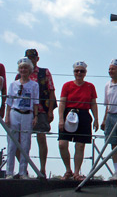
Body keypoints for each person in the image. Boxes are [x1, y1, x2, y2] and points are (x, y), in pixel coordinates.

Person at [58, 61, 99, 181]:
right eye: (77, 71)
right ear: (74, 72)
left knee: (80, 145)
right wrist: (61, 119)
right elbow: (62, 103)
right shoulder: (67, 85)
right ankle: (68, 170)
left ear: (85, 73)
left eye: (82, 71)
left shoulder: (90, 86)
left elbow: (93, 104)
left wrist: (96, 118)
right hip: (68, 114)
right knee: (62, 144)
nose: (79, 73)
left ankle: (76, 172)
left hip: (84, 115)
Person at [21, 48, 56, 176]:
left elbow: (51, 90)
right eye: (28, 58)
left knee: (41, 138)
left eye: (33, 58)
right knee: (23, 139)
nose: (31, 60)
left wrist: (51, 111)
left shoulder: (44, 72)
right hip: (24, 110)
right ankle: (23, 169)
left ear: (37, 59)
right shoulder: (21, 73)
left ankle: (42, 169)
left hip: (41, 109)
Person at [5, 57, 39, 179]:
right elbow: (9, 102)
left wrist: (35, 116)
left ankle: (23, 172)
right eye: (21, 68)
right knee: (12, 143)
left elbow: (35, 102)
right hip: (15, 113)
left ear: (29, 70)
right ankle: (9, 172)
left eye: (25, 68)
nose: (23, 70)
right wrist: (7, 116)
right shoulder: (13, 84)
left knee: (25, 143)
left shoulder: (34, 85)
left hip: (27, 114)